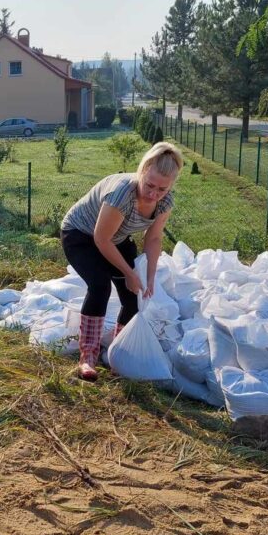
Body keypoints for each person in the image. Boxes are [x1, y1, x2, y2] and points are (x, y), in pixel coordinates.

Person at [60, 141, 183, 381]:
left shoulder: (164, 202)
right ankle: (88, 357)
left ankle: (119, 355)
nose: (153, 194)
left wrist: (148, 278)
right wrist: (129, 272)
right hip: (81, 235)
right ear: (142, 170)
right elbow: (101, 238)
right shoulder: (122, 193)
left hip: (116, 238)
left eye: (162, 189)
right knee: (100, 285)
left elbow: (154, 239)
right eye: (149, 185)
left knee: (133, 296)